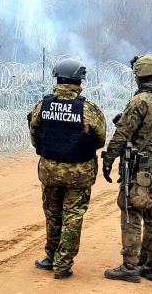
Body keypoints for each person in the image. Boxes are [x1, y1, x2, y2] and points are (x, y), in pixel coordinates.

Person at [28, 57, 106, 279]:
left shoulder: (42, 105)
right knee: (72, 216)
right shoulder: (88, 108)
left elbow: (35, 136)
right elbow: (100, 139)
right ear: (79, 80)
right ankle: (62, 265)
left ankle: (50, 257)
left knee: (52, 215)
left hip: (50, 170)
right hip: (79, 172)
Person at [102, 54, 152, 283]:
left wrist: (108, 159)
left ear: (141, 75)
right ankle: (151, 266)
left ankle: (130, 266)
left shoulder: (141, 100)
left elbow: (122, 134)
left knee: (131, 213)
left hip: (140, 165)